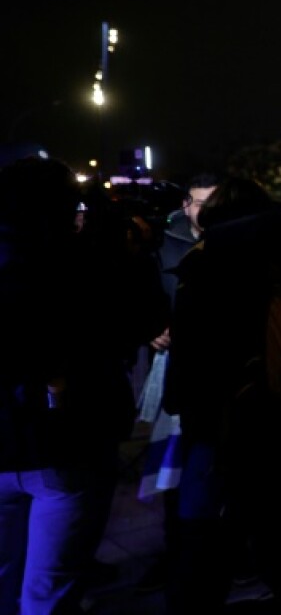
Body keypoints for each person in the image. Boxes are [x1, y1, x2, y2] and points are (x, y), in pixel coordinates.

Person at [1, 156, 166, 615]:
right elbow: (138, 322)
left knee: (6, 577)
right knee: (49, 589)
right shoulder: (77, 264)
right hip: (63, 448)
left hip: (15, 442)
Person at [162, 177, 281, 613]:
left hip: (219, 425)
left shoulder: (204, 263)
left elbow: (189, 359)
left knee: (203, 547)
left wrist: (181, 408)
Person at [134, 172, 218, 594]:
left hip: (220, 375)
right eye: (199, 201)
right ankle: (175, 556)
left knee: (214, 472)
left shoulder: (231, 243)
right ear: (185, 204)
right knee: (172, 470)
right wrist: (152, 328)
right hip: (175, 373)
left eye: (213, 201)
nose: (205, 210)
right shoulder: (163, 246)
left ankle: (215, 556)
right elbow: (144, 299)